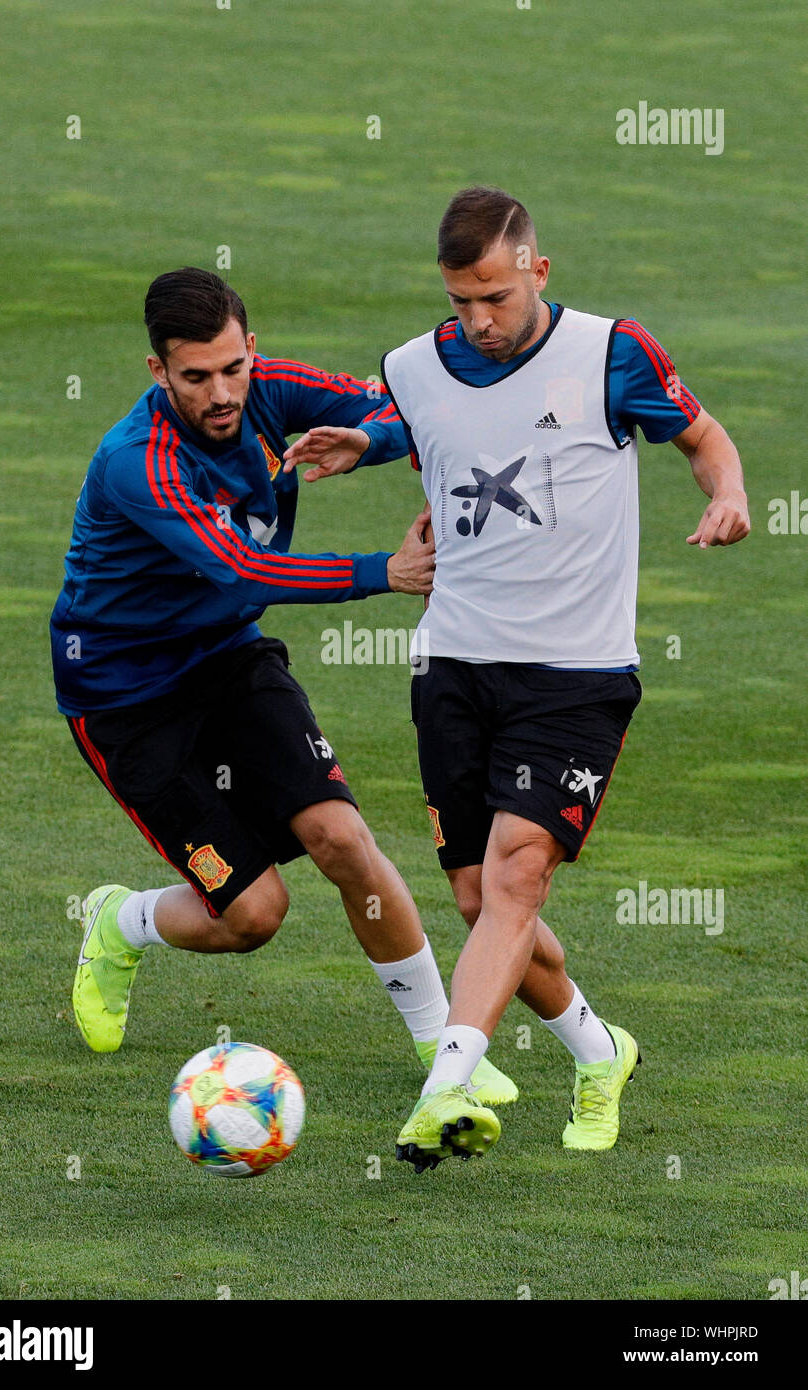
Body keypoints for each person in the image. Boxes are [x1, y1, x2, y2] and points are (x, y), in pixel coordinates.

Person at [295, 188, 750, 1170]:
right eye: (460, 301)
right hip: (452, 662)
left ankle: (443, 1088)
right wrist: (360, 442)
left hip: (575, 676)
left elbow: (701, 438)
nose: (478, 321)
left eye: (495, 297)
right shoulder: (413, 366)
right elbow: (420, 423)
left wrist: (727, 494)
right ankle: (599, 1049)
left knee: (512, 879)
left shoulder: (610, 353)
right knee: (475, 898)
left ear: (536, 271)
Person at [50, 266, 517, 1109]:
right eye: (197, 377)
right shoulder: (138, 461)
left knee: (342, 837)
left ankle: (446, 1056)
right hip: (127, 699)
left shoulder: (272, 389)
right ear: (159, 373)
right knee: (253, 915)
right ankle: (121, 921)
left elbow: (399, 409)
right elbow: (240, 568)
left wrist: (364, 440)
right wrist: (387, 571)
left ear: (251, 349)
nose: (223, 393)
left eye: (234, 368)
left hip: (228, 659)